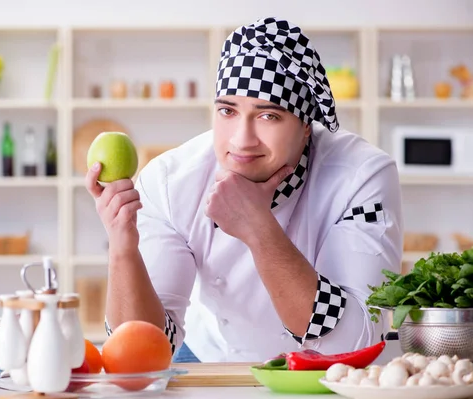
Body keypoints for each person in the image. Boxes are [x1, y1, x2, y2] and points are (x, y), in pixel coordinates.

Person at [85, 16, 403, 363]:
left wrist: (258, 226)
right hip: (212, 358)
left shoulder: (361, 177)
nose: (241, 140)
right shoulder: (169, 181)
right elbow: (143, 349)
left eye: (268, 116)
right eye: (228, 111)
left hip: (324, 371)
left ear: (307, 127)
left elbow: (351, 342)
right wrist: (122, 246)